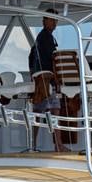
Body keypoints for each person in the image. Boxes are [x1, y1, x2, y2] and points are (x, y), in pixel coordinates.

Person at [29, 11, 64, 151]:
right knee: (55, 110)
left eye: (56, 21)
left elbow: (31, 57)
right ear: (44, 21)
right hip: (47, 80)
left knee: (38, 113)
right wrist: (55, 80)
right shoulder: (47, 38)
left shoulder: (41, 37)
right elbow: (52, 60)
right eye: (52, 20)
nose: (55, 23)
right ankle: (59, 145)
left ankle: (33, 144)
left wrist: (34, 74)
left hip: (39, 80)